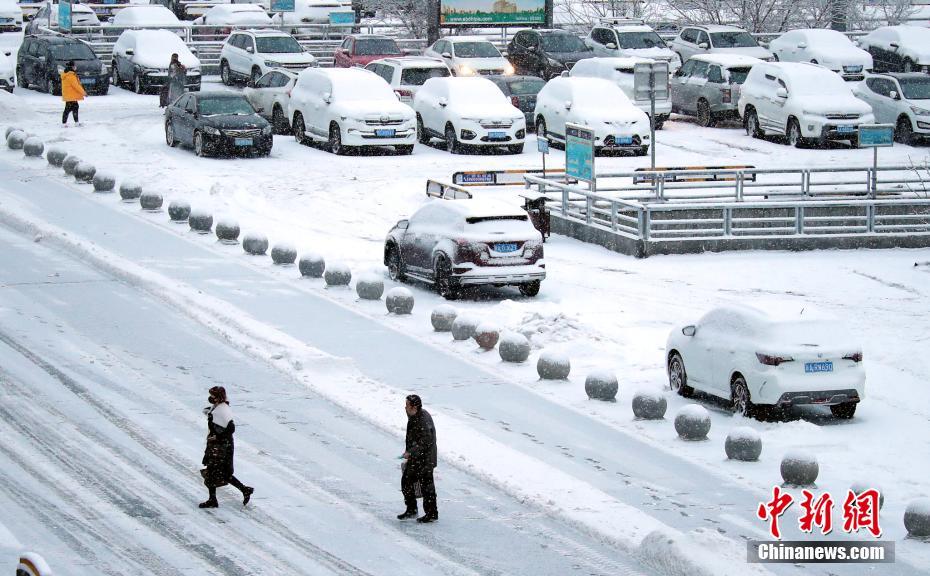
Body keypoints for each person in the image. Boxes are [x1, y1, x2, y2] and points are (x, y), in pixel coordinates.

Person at [199, 386, 254, 508]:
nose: (211, 398)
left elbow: (231, 428)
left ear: (218, 397)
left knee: (216, 472)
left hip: (220, 448)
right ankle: (242, 490)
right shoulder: (219, 407)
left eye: (213, 396)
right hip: (218, 446)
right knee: (217, 472)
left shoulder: (222, 410)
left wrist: (217, 438)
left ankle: (214, 499)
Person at [398, 394, 438, 523]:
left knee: (427, 486)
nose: (405, 407)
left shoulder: (423, 420)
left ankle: (431, 514)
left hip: (425, 459)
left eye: (407, 405)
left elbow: (426, 441)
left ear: (414, 406)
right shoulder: (414, 416)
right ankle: (412, 510)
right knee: (407, 481)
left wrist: (411, 452)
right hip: (417, 457)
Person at [60, 61, 85, 126]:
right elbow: (76, 86)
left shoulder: (66, 74)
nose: (75, 67)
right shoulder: (71, 75)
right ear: (72, 67)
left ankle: (72, 122)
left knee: (71, 108)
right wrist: (83, 93)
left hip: (69, 95)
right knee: (70, 109)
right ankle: (65, 123)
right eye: (74, 66)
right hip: (71, 95)